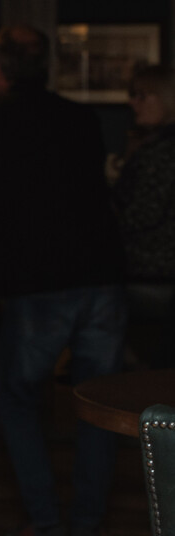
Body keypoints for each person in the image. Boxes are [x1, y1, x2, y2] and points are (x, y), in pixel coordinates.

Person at [0, 25, 125, 536]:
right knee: (99, 404)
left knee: (19, 400)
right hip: (102, 274)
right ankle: (89, 529)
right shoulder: (82, 118)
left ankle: (46, 526)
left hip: (36, 282)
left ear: (0, 70)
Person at [113, 64, 175, 368]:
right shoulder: (154, 146)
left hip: (154, 275)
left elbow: (141, 215)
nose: (132, 103)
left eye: (142, 96)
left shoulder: (162, 152)